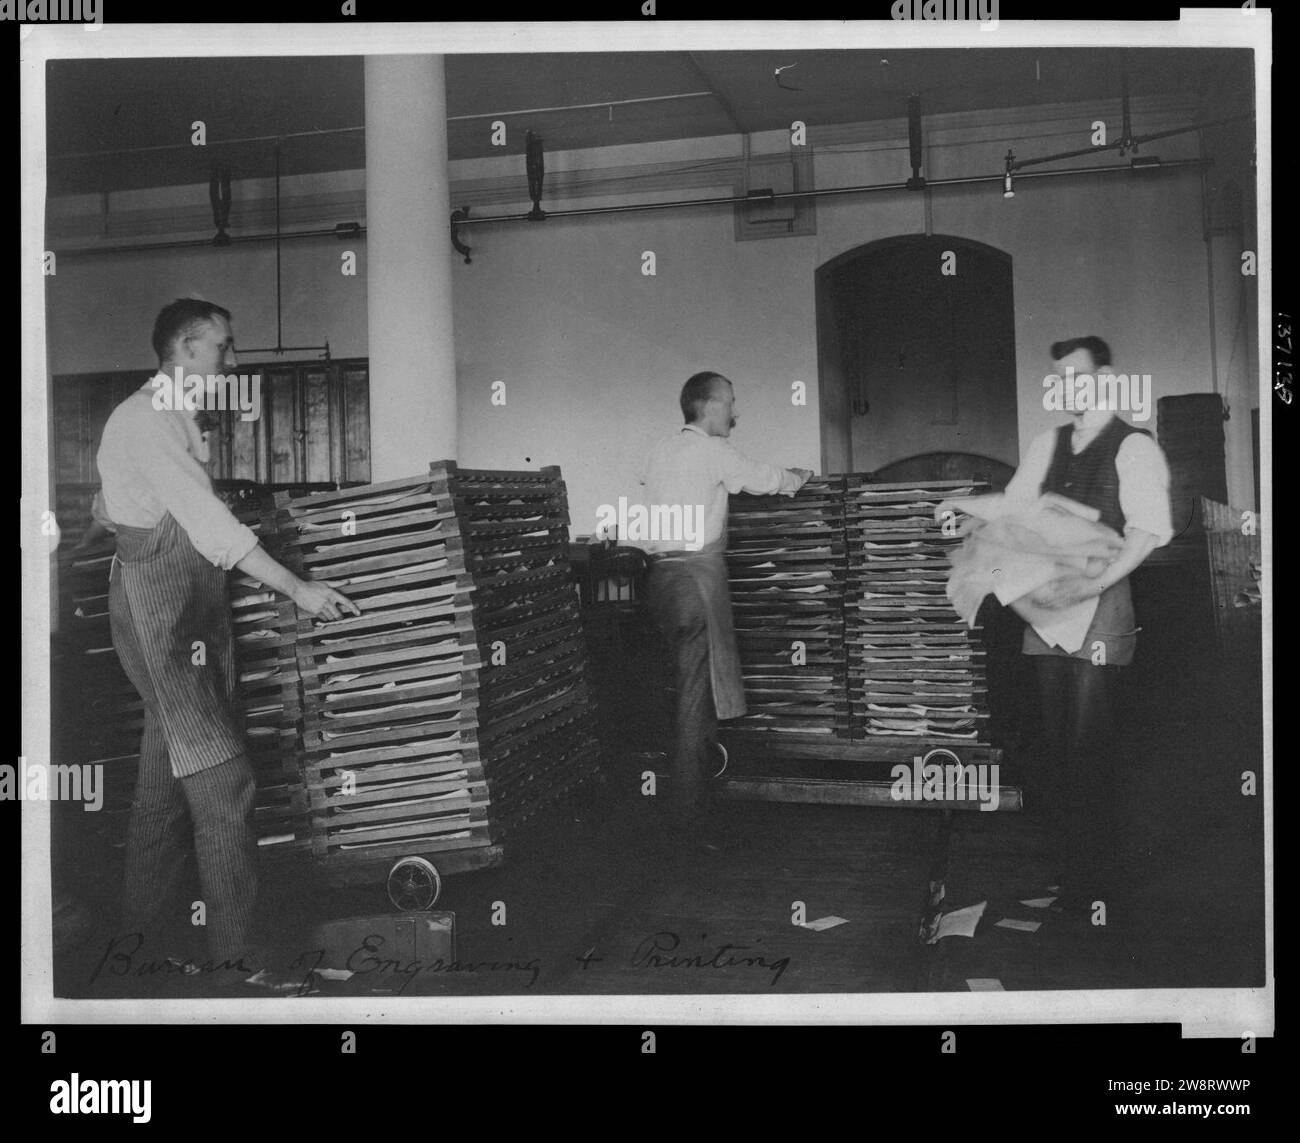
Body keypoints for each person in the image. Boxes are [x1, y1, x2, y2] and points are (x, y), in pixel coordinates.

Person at [95, 298, 359, 971]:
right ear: (184, 349)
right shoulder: (147, 417)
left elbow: (111, 504)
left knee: (162, 794)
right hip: (159, 618)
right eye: (223, 347)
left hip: (182, 618)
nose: (233, 361)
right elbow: (208, 527)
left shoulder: (173, 417)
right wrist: (297, 587)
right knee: (225, 783)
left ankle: (136, 953)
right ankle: (239, 961)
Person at [1002, 336, 1172, 911]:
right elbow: (1015, 508)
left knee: (1092, 743)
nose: (1066, 387)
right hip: (1047, 608)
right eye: (1059, 378)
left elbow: (1147, 531)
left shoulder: (1134, 446)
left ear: (1108, 376)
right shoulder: (1046, 442)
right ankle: (1070, 875)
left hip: (1101, 607)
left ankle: (1097, 886)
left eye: (1077, 375)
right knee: (1055, 745)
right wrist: (967, 513)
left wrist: (1094, 584)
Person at [639, 372, 812, 841]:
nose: (737, 412)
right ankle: (689, 824)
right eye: (732, 402)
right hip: (695, 582)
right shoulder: (712, 450)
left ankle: (677, 806)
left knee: (680, 692)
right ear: (710, 406)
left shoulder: (661, 450)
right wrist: (799, 478)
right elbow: (761, 478)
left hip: (659, 581)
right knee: (697, 700)